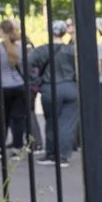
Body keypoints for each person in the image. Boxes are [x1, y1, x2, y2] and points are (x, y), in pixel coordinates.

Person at [35, 17, 82, 160]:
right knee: (67, 123)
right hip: (71, 87)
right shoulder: (72, 50)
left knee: (51, 121)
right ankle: (63, 155)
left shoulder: (42, 50)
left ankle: (51, 152)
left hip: (50, 87)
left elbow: (27, 64)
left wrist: (37, 81)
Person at [0, 17, 34, 154]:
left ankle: (1, 148)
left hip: (2, 86)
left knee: (3, 118)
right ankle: (17, 146)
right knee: (18, 118)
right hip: (19, 86)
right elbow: (27, 68)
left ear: (1, 31)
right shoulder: (20, 49)